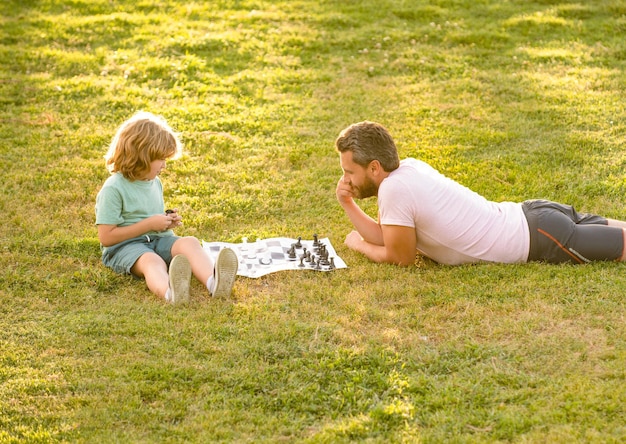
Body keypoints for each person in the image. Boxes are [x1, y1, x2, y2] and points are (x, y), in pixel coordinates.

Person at [335, 121, 626, 266]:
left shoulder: (394, 189)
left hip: (537, 237)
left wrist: (358, 246)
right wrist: (348, 203)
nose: (347, 179)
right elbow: (389, 237)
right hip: (534, 216)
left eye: (350, 172)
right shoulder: (407, 170)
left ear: (374, 167)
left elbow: (401, 257)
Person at [95, 111, 238, 304]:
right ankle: (171, 293)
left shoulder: (154, 182)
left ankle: (215, 282)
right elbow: (106, 237)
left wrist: (165, 222)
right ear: (142, 156)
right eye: (161, 159)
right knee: (152, 261)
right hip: (125, 248)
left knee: (189, 242)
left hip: (157, 239)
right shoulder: (113, 188)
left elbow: (149, 217)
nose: (164, 165)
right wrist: (149, 224)